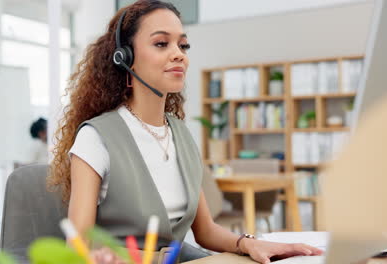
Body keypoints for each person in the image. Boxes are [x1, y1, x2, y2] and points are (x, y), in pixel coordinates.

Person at [48, 1, 323, 263]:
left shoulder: (179, 132)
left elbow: (205, 231)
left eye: (183, 45)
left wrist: (250, 243)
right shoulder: (96, 137)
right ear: (125, 58)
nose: (179, 53)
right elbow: (79, 242)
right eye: (161, 43)